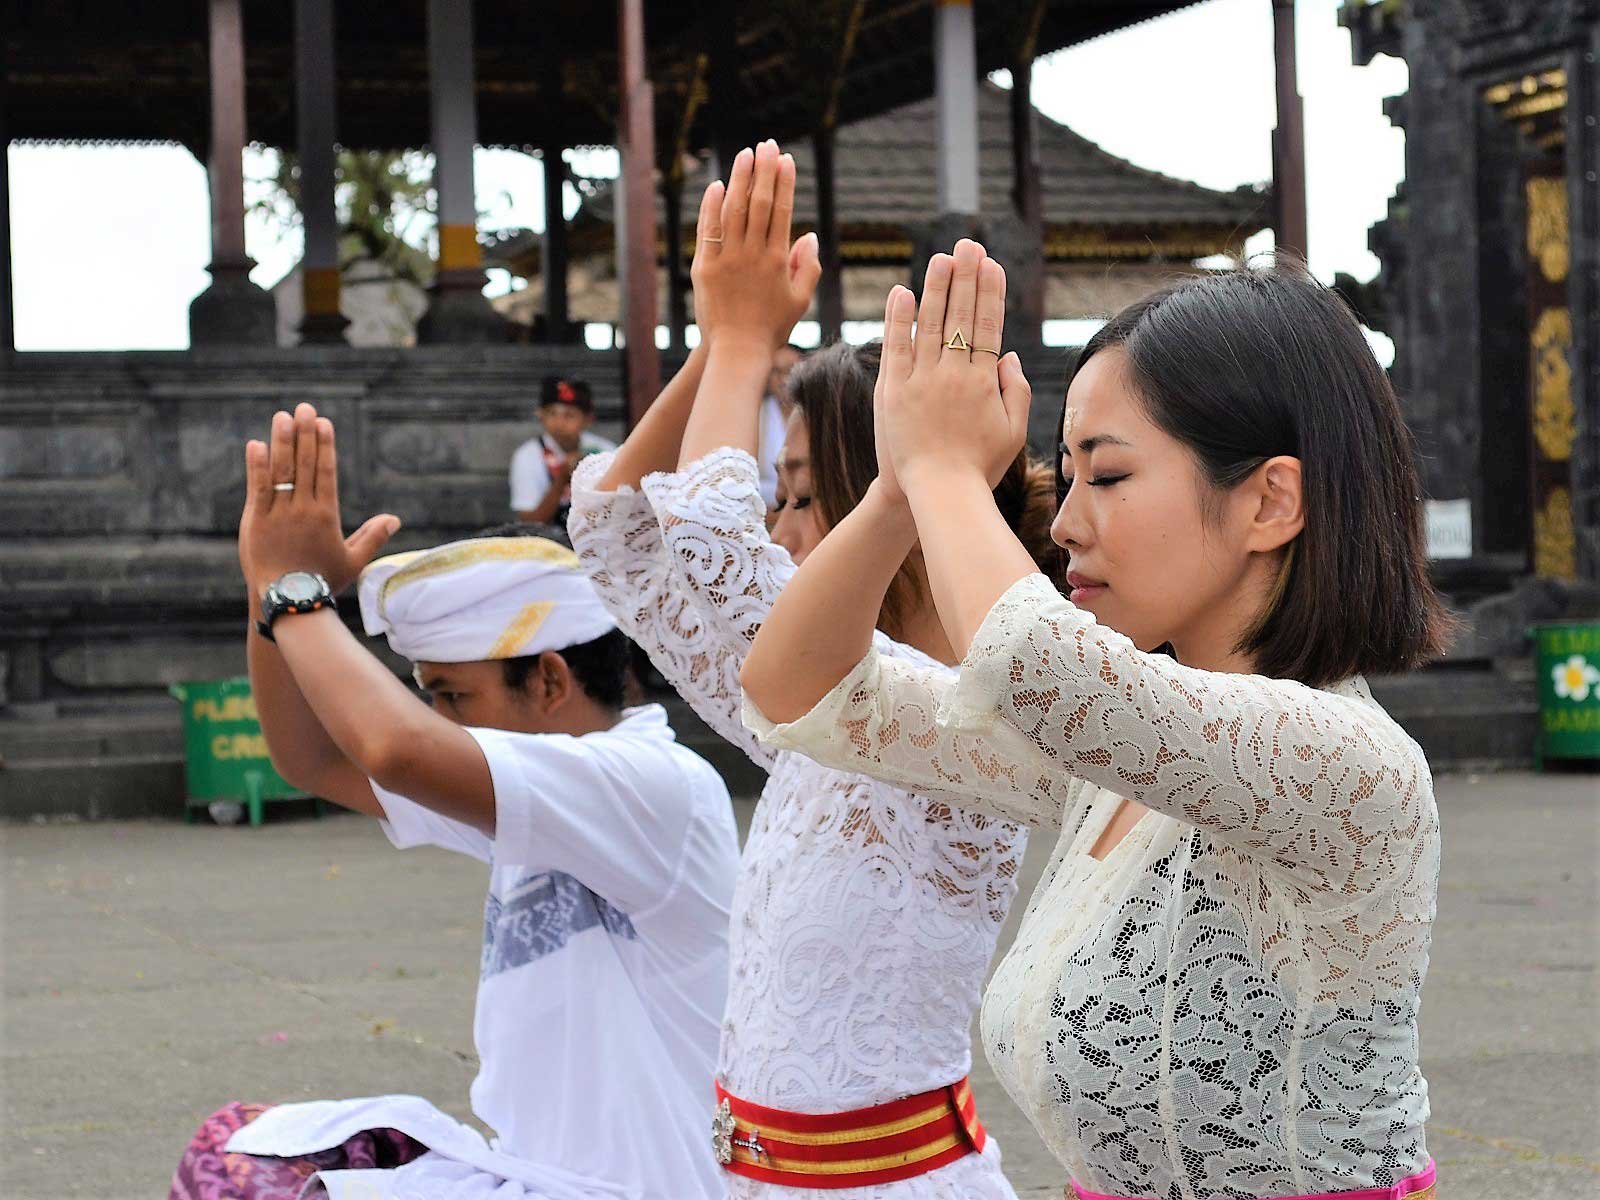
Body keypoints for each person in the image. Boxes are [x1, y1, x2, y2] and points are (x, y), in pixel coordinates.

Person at [741, 254, 1452, 1200]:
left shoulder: (1349, 764)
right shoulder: (1104, 759)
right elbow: (801, 689)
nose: (1067, 522)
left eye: (1108, 474)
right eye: (1066, 474)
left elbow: (1033, 662)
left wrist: (946, 467)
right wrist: (899, 489)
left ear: (1271, 501)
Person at [568, 139, 1061, 1198]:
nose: (777, 525)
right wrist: (722, 345)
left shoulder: (966, 717)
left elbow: (710, 544)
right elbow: (615, 534)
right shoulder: (810, 716)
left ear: (889, 498)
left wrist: (747, 339)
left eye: (796, 494)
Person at [171, 403, 739, 1200]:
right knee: (234, 1155)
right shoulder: (538, 781)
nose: (436, 722)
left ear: (547, 680)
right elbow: (313, 756)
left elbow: (393, 748)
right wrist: (271, 595)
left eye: (451, 695)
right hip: (538, 1176)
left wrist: (293, 592)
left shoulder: (651, 787)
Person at [511, 376, 616, 526]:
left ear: (588, 419)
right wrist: (562, 478)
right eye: (552, 413)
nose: (559, 423)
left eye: (569, 415)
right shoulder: (528, 456)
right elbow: (530, 522)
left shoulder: (605, 452)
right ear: (540, 415)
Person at [756, 342, 804, 509]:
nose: (784, 379)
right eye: (776, 371)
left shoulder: (817, 415)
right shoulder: (756, 415)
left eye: (791, 369)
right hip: (766, 508)